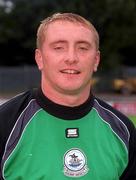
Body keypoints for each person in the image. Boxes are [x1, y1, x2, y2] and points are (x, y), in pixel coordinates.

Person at [0, 12, 136, 180]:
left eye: (83, 48)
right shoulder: (5, 123)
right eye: (59, 47)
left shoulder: (123, 130)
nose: (71, 58)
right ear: (40, 58)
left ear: (96, 60)